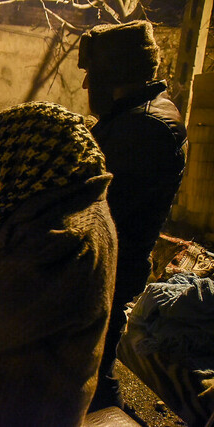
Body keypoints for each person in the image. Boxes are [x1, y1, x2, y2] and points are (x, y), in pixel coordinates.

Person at [0, 102, 117, 426]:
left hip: (15, 407)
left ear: (32, 155)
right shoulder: (65, 203)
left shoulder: (64, 234)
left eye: (1, 158)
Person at [77, 20, 188, 411]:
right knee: (93, 362)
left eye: (93, 73)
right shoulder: (134, 116)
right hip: (111, 261)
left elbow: (97, 200)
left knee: (92, 369)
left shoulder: (145, 125)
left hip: (110, 265)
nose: (87, 85)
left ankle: (106, 417)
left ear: (116, 72)